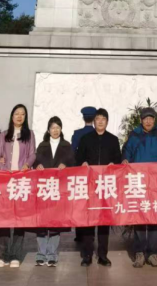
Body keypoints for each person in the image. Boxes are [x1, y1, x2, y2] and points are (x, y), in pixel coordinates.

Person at [122, 106, 157, 268]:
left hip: (156, 183)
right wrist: (125, 159)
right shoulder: (134, 135)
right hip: (139, 182)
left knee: (155, 217)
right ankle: (140, 253)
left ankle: (153, 253)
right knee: (140, 217)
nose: (148, 121)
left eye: (151, 118)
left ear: (154, 120)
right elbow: (126, 151)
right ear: (141, 120)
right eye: (145, 119)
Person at [76, 107, 121, 267]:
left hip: (106, 186)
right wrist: (83, 163)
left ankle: (103, 255)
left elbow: (118, 159)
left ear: (107, 122)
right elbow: (78, 158)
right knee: (89, 220)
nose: (100, 121)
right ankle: (87, 255)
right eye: (98, 119)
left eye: (103, 119)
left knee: (103, 221)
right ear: (94, 121)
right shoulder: (85, 139)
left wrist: (113, 164)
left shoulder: (113, 140)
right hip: (89, 185)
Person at [0, 103, 36, 268]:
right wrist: (4, 169)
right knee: (4, 219)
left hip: (22, 181)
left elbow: (32, 154)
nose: (19, 116)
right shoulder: (4, 135)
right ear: (12, 116)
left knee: (19, 219)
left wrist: (27, 165)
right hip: (6, 181)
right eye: (17, 113)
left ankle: (16, 255)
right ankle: (2, 255)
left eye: (22, 114)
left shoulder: (29, 135)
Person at [34, 116, 75, 266]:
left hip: (59, 188)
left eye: (58, 127)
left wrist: (66, 165)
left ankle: (52, 254)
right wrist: (37, 165)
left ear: (61, 129)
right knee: (42, 221)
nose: (55, 130)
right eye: (53, 127)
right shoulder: (42, 145)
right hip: (44, 188)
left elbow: (73, 162)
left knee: (55, 221)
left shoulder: (66, 145)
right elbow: (35, 161)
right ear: (48, 129)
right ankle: (41, 253)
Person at [71, 105, 97, 245]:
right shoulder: (97, 133)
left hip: (80, 173)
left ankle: (79, 234)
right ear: (94, 119)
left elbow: (73, 152)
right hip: (94, 174)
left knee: (80, 202)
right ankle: (90, 231)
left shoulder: (77, 134)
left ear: (83, 118)